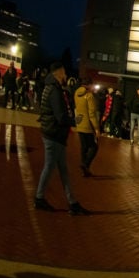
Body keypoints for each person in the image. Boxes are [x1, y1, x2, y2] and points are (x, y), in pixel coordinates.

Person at [34, 62, 89, 215]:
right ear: (58, 73)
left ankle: (72, 202)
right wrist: (74, 121)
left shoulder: (50, 87)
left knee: (62, 170)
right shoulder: (55, 91)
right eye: (64, 73)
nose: (65, 76)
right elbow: (60, 117)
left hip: (53, 134)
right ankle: (39, 198)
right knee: (50, 167)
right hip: (54, 135)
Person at [73, 80, 101, 177]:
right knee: (94, 147)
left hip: (79, 123)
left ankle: (85, 170)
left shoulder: (76, 93)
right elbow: (92, 114)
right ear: (89, 85)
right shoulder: (89, 96)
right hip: (87, 125)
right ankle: (85, 164)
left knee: (84, 146)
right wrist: (97, 128)